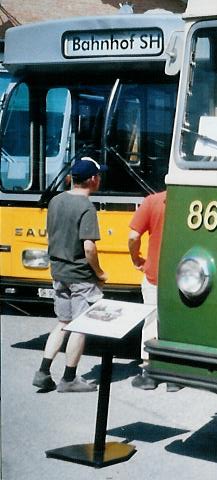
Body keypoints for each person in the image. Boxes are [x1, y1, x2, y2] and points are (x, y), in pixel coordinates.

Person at [32, 157, 108, 393]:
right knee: (80, 326)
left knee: (62, 323)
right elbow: (88, 247)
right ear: (93, 180)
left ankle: (43, 371)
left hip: (58, 272)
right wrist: (100, 273)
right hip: (80, 275)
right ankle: (69, 378)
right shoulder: (86, 207)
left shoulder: (56, 201)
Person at [128, 190, 177, 391]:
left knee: (151, 321)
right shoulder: (191, 200)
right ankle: (174, 376)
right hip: (183, 276)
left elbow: (133, 236)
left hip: (154, 273)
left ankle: (149, 373)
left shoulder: (152, 201)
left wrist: (136, 258)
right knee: (175, 322)